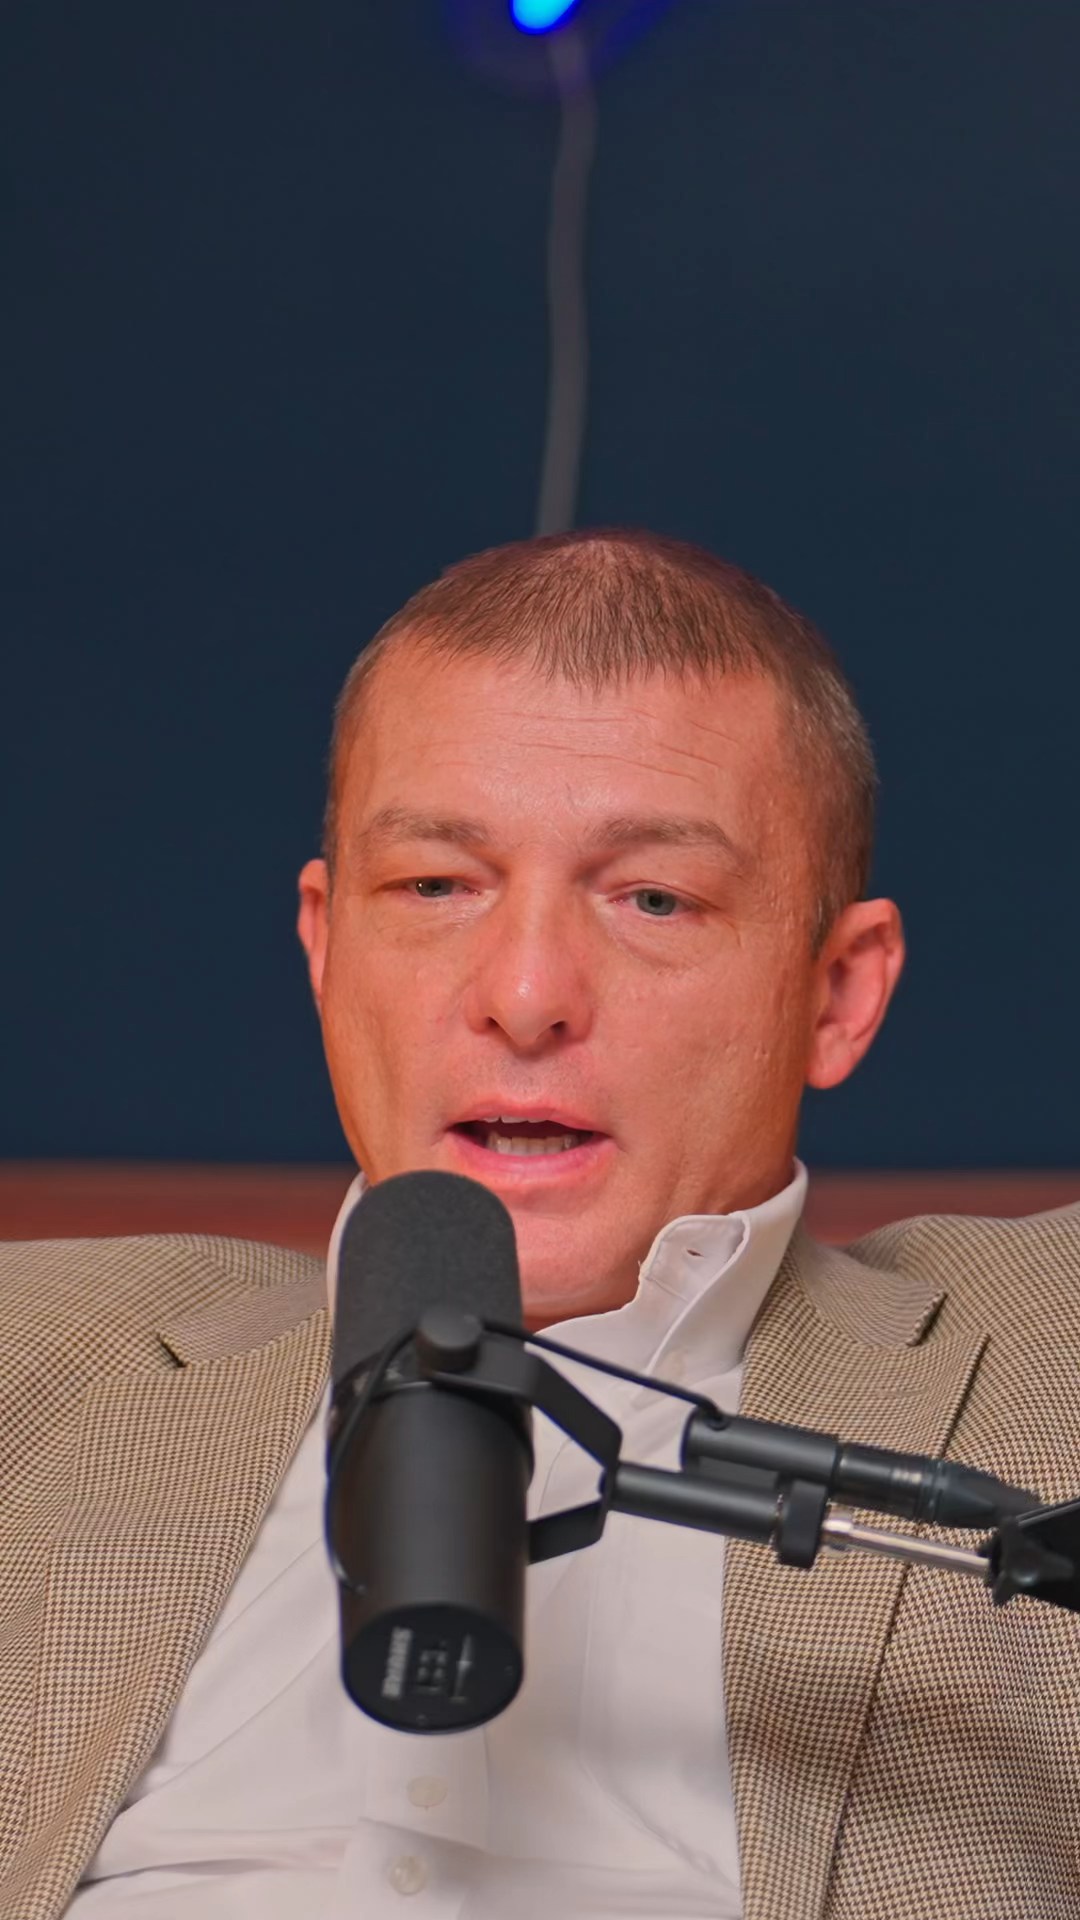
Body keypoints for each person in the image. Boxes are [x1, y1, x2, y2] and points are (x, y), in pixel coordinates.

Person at [2, 528, 1078, 1920]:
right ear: (326, 948)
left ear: (837, 993)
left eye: (654, 899)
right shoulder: (38, 1355)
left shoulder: (1048, 1349)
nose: (524, 996)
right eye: (435, 886)